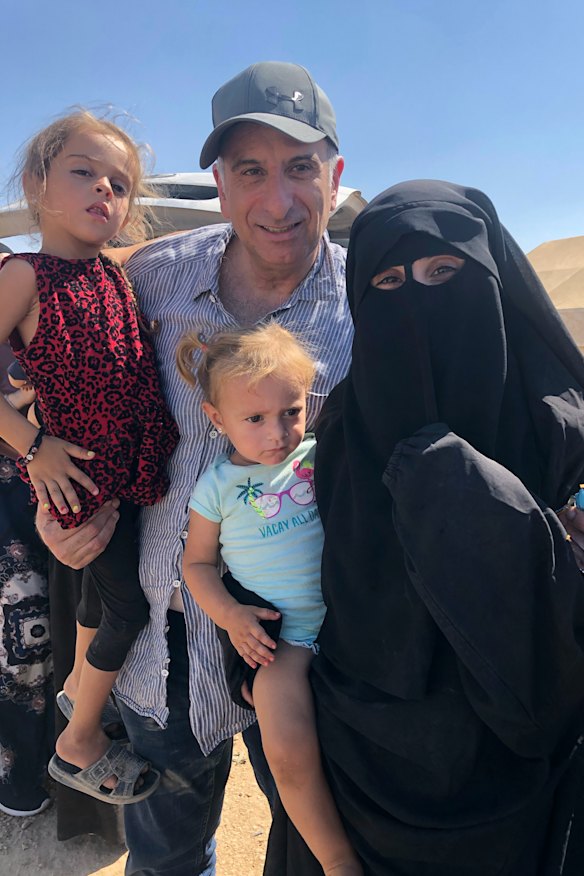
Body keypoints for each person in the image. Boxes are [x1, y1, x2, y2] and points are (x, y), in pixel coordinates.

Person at [34, 62, 353, 873]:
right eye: (250, 170)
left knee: (312, 845)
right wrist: (44, 478)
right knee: (169, 858)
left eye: (300, 167)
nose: (277, 200)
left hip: (312, 644)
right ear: (219, 182)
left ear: (335, 174)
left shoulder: (374, 305)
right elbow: (55, 370)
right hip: (162, 642)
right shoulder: (149, 277)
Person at [264, 179, 584, 875]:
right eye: (388, 282)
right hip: (364, 769)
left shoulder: (559, 429)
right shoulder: (344, 430)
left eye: (445, 272)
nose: (418, 299)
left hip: (533, 774)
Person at [0, 111, 179, 805]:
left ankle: (80, 690)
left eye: (121, 184)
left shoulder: (112, 273)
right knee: (130, 610)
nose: (106, 189)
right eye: (84, 172)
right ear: (35, 182)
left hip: (125, 471)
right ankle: (77, 745)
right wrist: (32, 447)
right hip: (76, 476)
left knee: (103, 599)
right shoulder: (25, 275)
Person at [178, 323, 363, 876]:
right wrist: (231, 617)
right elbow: (196, 566)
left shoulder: (320, 454)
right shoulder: (215, 488)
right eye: (254, 419)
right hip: (286, 641)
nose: (277, 432)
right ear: (217, 419)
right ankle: (336, 860)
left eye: (291, 411)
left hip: (355, 622)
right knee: (286, 749)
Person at [0, 339, 53, 818]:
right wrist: (21, 403)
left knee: (36, 636)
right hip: (22, 475)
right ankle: (20, 779)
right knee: (21, 640)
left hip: (39, 479)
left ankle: (36, 774)